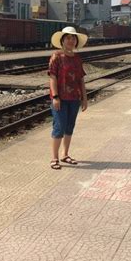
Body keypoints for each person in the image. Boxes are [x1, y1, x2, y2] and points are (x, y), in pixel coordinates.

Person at [48, 26, 88, 170]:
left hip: (74, 98)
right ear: (62, 41)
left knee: (69, 126)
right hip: (60, 98)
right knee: (59, 127)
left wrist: (84, 98)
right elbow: (52, 77)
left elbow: (81, 79)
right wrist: (55, 96)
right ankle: (54, 158)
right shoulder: (56, 57)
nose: (71, 41)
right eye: (68, 38)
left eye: (73, 38)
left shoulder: (77, 58)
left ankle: (65, 154)